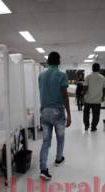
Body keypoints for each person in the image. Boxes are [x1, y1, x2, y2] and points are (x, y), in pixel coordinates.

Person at [38, 51, 71, 180]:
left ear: (47, 61)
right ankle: (58, 159)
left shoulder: (41, 75)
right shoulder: (62, 75)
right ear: (59, 62)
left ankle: (43, 169)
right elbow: (65, 95)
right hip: (57, 112)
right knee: (60, 137)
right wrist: (69, 113)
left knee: (46, 141)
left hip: (44, 112)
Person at [83, 63, 105, 132]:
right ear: (99, 69)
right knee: (96, 115)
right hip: (97, 100)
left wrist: (82, 96)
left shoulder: (88, 77)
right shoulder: (102, 78)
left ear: (92, 68)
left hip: (88, 99)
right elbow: (104, 88)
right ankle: (93, 127)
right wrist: (103, 97)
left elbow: (85, 88)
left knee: (86, 114)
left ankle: (86, 126)